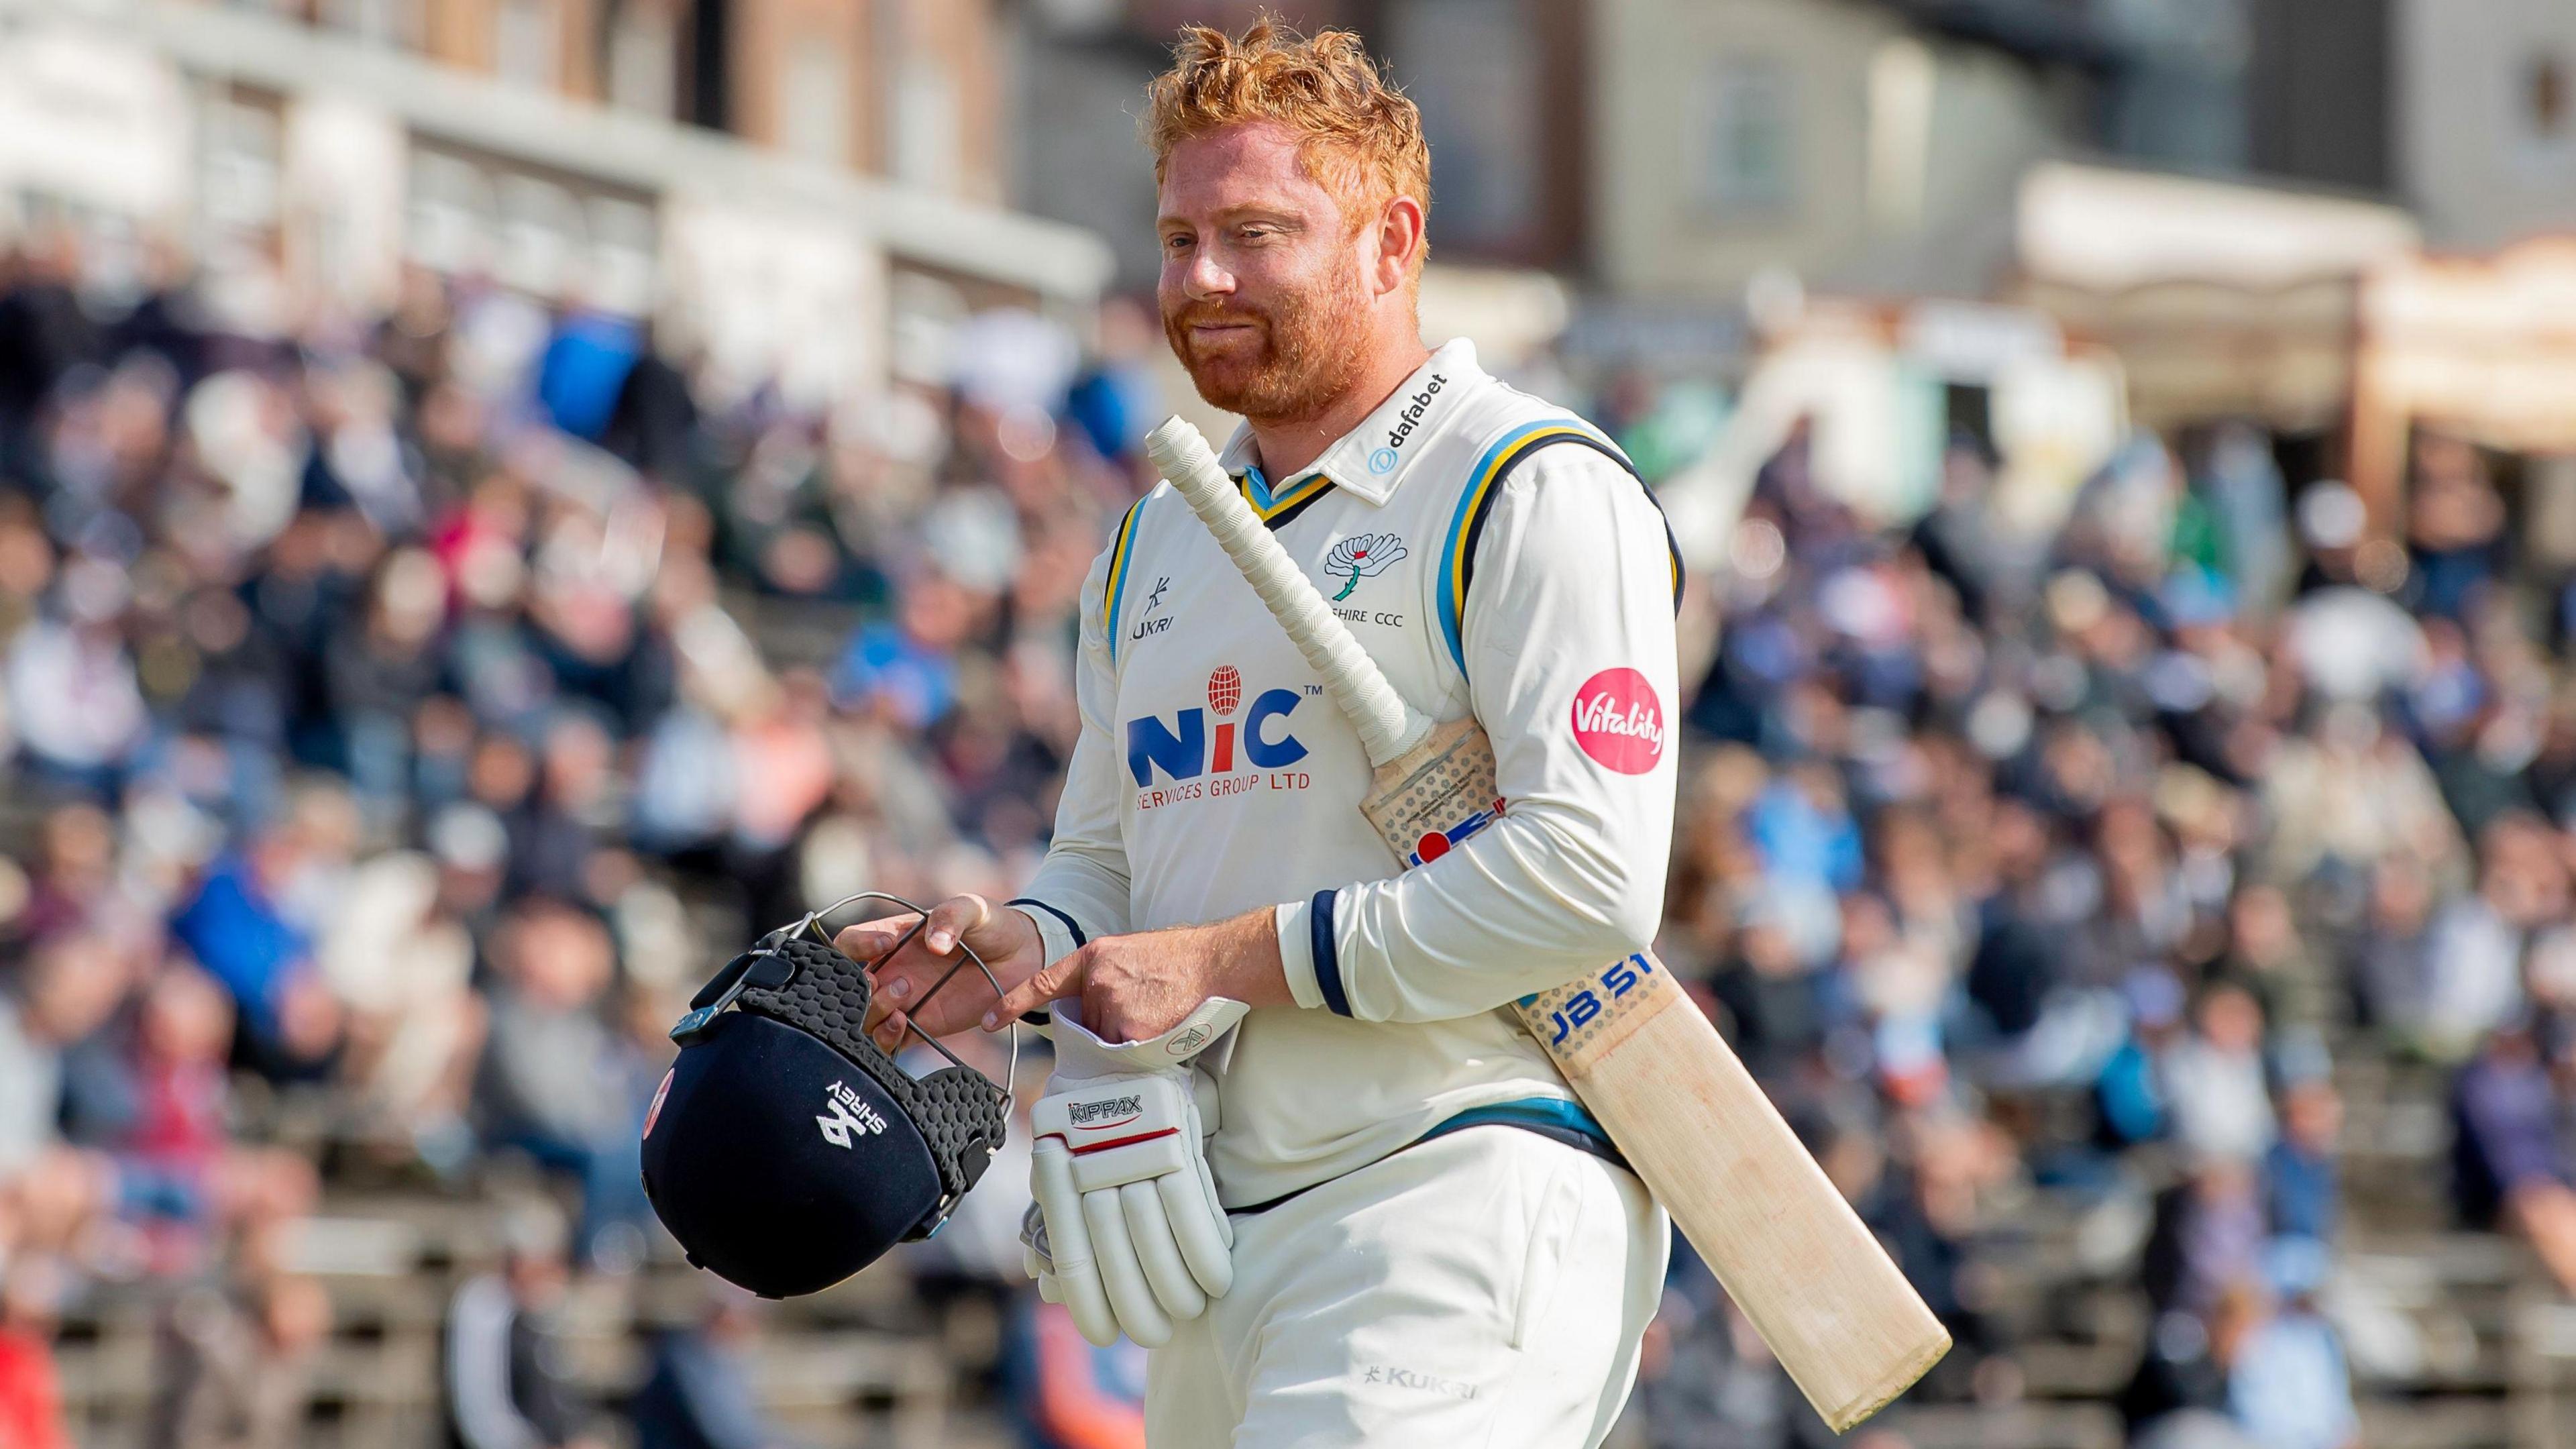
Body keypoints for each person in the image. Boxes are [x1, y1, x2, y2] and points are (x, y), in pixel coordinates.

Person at [839, 17, 1679, 1446]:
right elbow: (1112, 864)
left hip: (1456, 1185)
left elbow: (1586, 884)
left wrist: (1219, 964)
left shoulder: (1529, 486)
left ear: (1389, 242)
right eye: (1178, 239)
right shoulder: (1155, 542)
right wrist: (1028, 950)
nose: (1203, 280)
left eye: (1257, 233)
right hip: (1209, 1235)